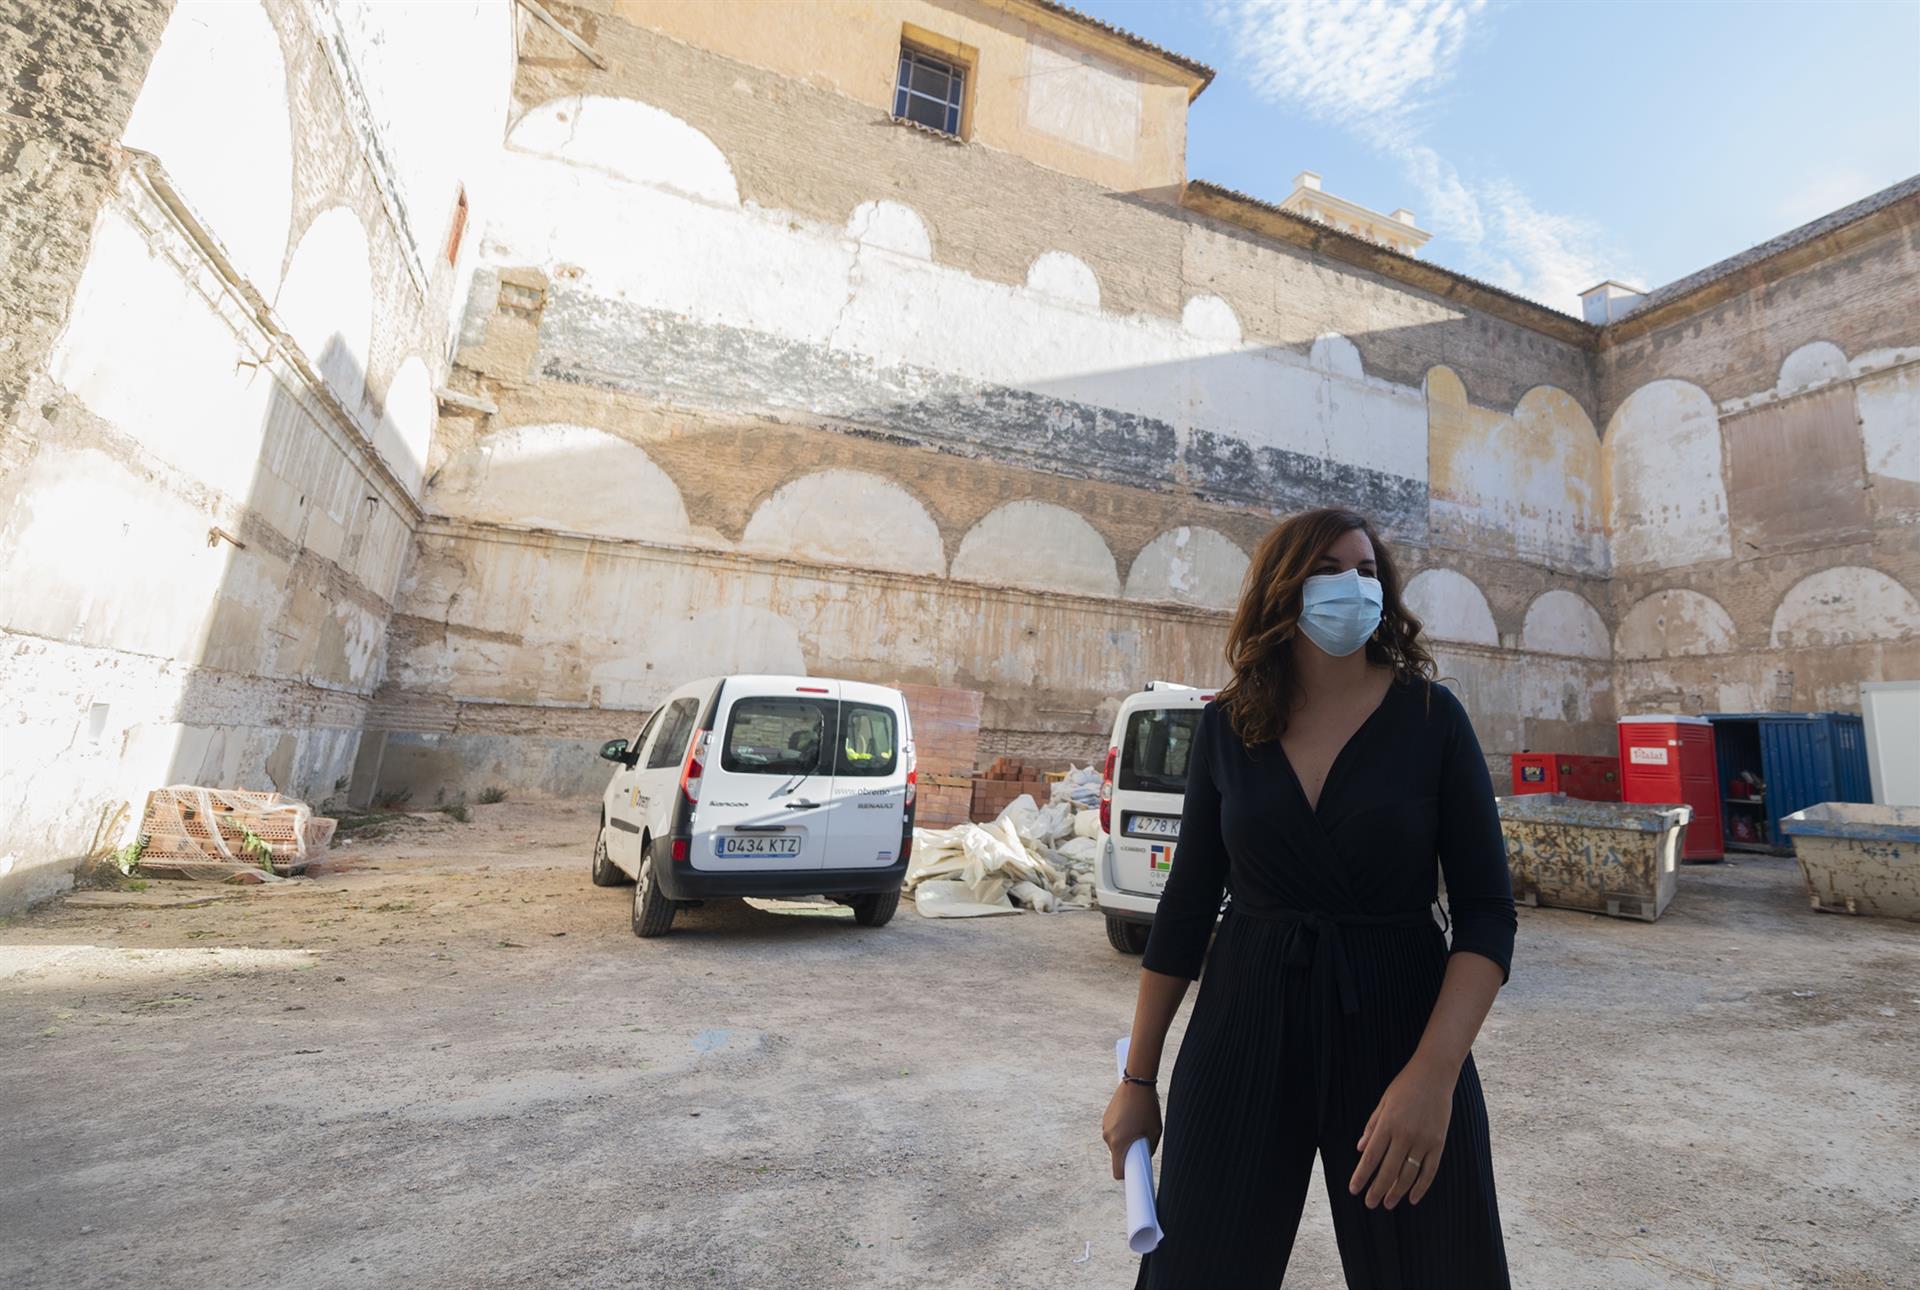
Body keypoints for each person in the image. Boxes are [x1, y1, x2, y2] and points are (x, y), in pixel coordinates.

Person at [1101, 507, 1516, 1288]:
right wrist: (1138, 1082)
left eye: (1366, 571)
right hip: (1245, 1020)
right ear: (1283, 590)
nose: (1351, 586)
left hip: (1399, 1019)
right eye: (1327, 569)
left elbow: (1487, 914)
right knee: (1197, 1271)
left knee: (1436, 1269)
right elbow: (1186, 910)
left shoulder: (1434, 722)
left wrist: (1433, 1079)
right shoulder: (1229, 726)